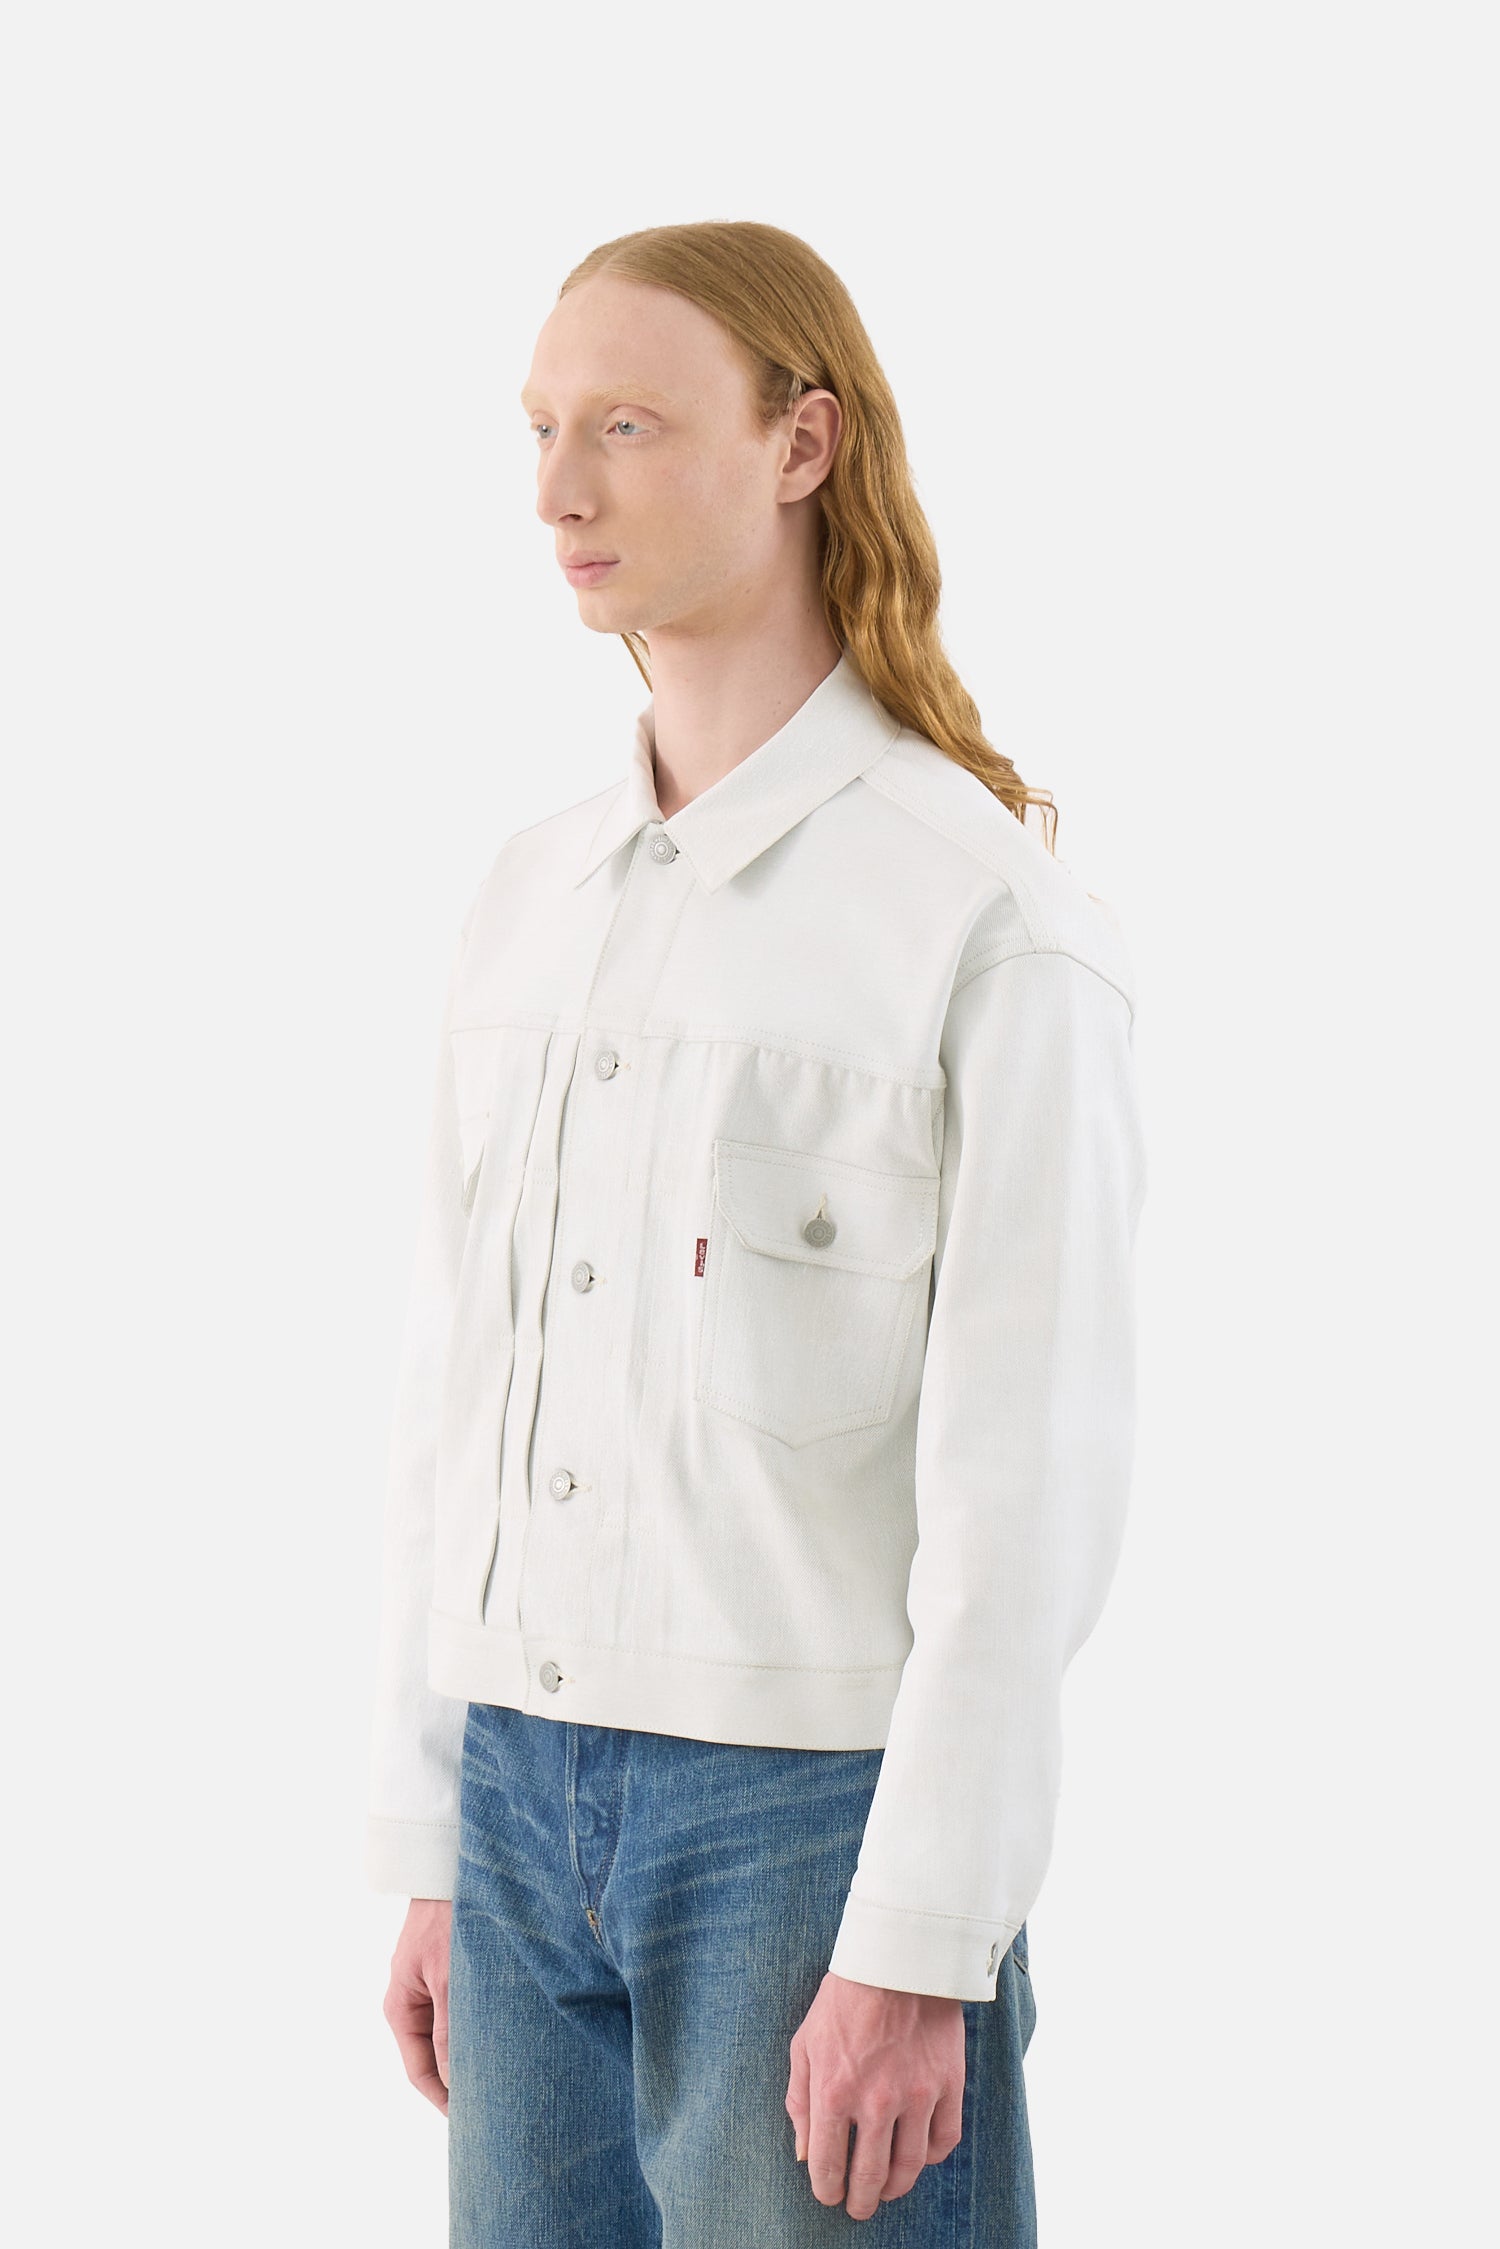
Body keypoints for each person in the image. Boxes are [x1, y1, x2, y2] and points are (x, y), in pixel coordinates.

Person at [365, 218, 1147, 2246]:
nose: (558, 489)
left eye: (626, 425)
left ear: (803, 445)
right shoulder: (529, 901)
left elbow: (1028, 1491)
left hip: (804, 1828)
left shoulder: (981, 922)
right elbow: (458, 1399)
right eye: (541, 428)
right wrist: (436, 1834)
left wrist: (922, 1937)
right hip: (517, 1804)